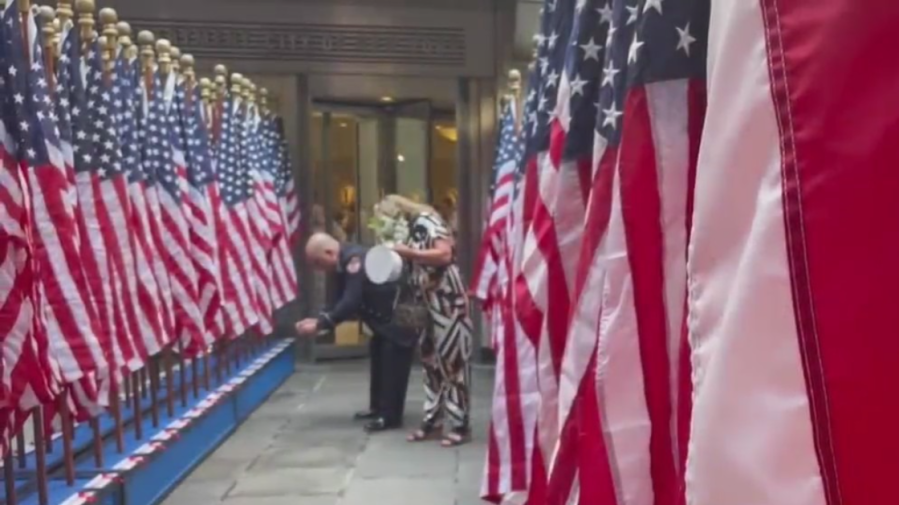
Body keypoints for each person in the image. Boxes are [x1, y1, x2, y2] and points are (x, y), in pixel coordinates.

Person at [295, 232, 417, 433]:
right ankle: (377, 407)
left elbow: (351, 301)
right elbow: (338, 300)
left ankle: (390, 416)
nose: (319, 269)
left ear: (329, 252)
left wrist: (321, 324)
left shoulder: (354, 260)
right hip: (383, 322)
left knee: (393, 367)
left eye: (318, 262)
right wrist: (320, 319)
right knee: (379, 362)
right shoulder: (343, 262)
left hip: (395, 321)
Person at [382, 195, 474, 447]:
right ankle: (433, 419)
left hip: (446, 298)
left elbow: (444, 254)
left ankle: (459, 423)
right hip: (426, 300)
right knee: (430, 361)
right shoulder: (410, 229)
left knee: (453, 361)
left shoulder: (427, 221)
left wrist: (408, 252)